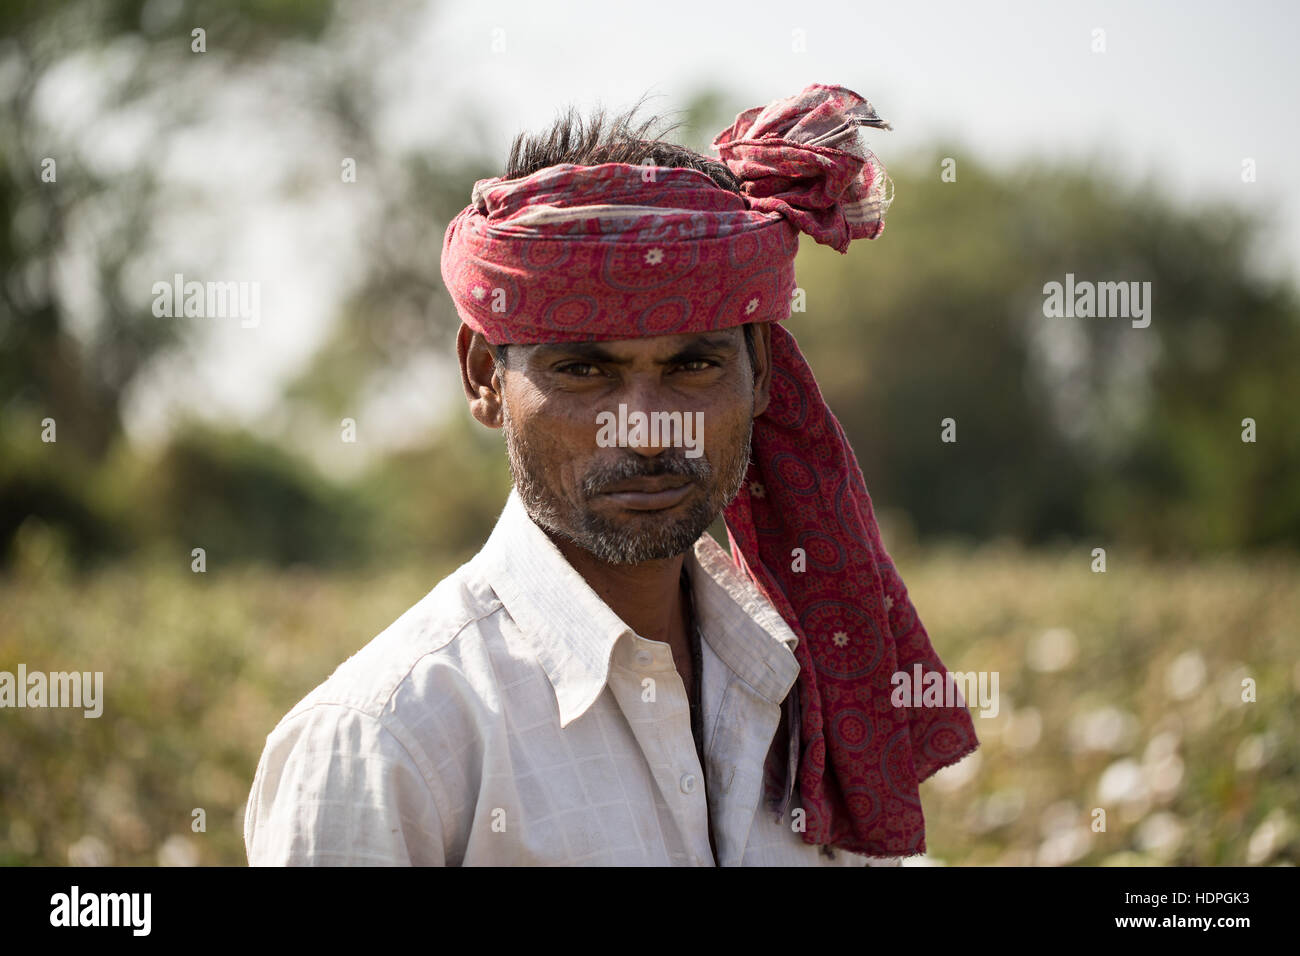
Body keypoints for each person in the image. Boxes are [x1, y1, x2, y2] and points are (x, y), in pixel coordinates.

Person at [244, 83, 978, 866]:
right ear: (486, 380)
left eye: (691, 364)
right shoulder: (386, 746)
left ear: (760, 375)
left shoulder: (811, 703)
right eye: (584, 370)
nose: (645, 423)